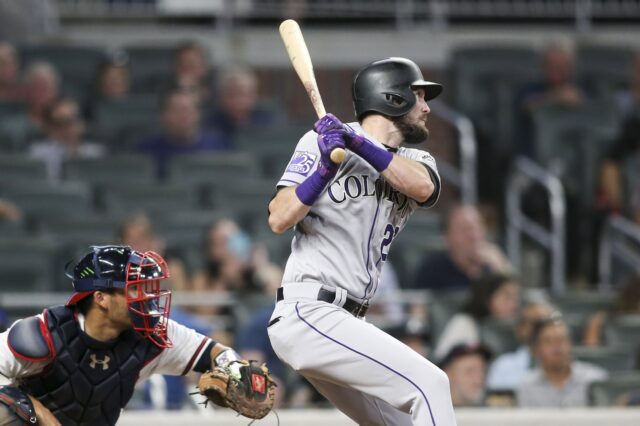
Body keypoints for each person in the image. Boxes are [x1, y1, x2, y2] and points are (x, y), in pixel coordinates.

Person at [267, 57, 457, 425]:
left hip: (348, 322)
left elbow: (422, 187)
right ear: (392, 98)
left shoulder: (416, 159)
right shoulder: (318, 142)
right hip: (309, 311)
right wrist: (323, 170)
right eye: (418, 96)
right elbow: (279, 217)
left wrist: (358, 142)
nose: (426, 107)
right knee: (430, 384)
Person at [0, 245, 263, 425]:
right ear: (101, 298)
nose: (147, 298)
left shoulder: (151, 333)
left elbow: (214, 352)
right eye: (135, 289)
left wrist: (236, 370)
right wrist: (38, 413)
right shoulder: (44, 332)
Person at [413, 205, 511, 291]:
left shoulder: (492, 266)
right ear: (447, 236)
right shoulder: (432, 269)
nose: (473, 235)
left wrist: (501, 268)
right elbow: (418, 309)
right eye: (464, 229)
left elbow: (513, 304)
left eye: (477, 227)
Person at [516, 315, 608, 407]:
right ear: (536, 349)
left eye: (562, 340)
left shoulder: (594, 378)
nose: (557, 346)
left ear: (570, 344)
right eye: (548, 341)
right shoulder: (526, 387)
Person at [136, 89, 230, 178]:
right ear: (163, 116)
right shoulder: (145, 150)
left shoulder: (218, 146)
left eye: (187, 110)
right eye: (176, 110)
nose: (182, 116)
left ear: (197, 115)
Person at [433, 273, 520, 361]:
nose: (514, 305)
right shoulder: (464, 323)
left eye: (516, 298)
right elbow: (444, 364)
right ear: (487, 297)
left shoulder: (515, 329)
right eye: (507, 297)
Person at [29, 97, 105, 181]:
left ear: (82, 124)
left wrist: (76, 150)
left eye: (72, 120)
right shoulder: (37, 153)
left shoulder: (97, 152)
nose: (67, 126)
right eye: (60, 122)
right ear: (48, 126)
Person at [486, 301, 554, 391]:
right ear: (520, 329)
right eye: (536, 324)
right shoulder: (503, 366)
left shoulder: (568, 365)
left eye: (547, 324)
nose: (541, 330)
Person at [207, 67, 281, 144]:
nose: (237, 101)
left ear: (254, 96)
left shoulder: (268, 122)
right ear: (221, 97)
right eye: (231, 94)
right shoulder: (209, 125)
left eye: (242, 94)